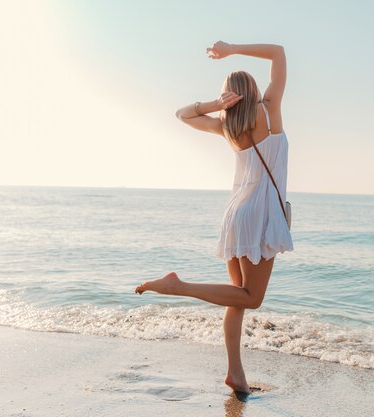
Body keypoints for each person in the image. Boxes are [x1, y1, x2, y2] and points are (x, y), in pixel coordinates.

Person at [135, 41, 293, 396]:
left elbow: (182, 114)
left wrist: (215, 105)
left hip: (237, 213)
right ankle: (179, 286)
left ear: (228, 96)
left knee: (236, 297)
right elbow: (279, 52)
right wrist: (233, 49)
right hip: (261, 213)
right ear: (253, 90)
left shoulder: (225, 124)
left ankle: (235, 374)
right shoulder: (268, 110)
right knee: (251, 298)